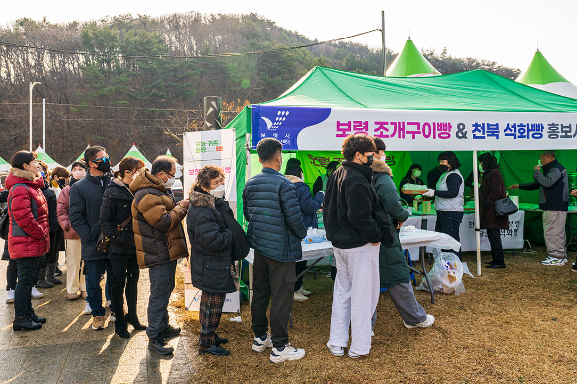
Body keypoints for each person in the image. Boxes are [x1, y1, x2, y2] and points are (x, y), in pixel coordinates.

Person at [323, 133, 394, 358]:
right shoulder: (356, 179)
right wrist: (375, 235)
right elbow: (359, 215)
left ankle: (337, 341)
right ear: (357, 155)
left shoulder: (337, 173)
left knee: (343, 292)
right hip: (359, 245)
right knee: (364, 296)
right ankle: (360, 346)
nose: (373, 158)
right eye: (369, 154)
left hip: (341, 245)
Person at [243, 138, 308, 364]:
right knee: (282, 297)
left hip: (259, 248)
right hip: (281, 250)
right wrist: (302, 234)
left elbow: (248, 216)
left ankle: (260, 337)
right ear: (279, 156)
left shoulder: (250, 183)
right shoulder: (285, 184)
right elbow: (295, 219)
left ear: (259, 158)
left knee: (260, 293)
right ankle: (280, 346)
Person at [370, 138, 434, 329]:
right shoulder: (381, 177)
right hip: (383, 234)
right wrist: (402, 216)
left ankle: (365, 327)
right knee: (396, 276)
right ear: (375, 153)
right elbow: (394, 204)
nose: (384, 156)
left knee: (365, 282)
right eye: (382, 152)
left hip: (360, 236)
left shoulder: (350, 174)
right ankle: (415, 318)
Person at [131, 156, 189, 355]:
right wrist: (183, 207)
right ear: (161, 174)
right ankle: (154, 336)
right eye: (172, 174)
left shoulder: (156, 190)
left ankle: (163, 326)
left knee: (165, 288)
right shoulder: (147, 193)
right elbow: (163, 222)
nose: (174, 178)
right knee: (159, 293)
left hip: (164, 248)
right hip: (157, 250)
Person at [187, 165, 235, 356]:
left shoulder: (211, 203)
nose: (220, 185)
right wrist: (231, 233)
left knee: (211, 302)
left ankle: (209, 336)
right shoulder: (202, 210)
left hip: (211, 262)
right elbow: (215, 240)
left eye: (221, 181)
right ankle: (206, 344)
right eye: (216, 183)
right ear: (205, 186)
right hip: (211, 262)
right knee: (212, 305)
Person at [99, 157, 146, 339]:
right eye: (139, 171)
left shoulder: (137, 190)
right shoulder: (112, 192)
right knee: (118, 284)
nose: (141, 175)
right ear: (128, 172)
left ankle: (133, 317)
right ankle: (119, 322)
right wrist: (120, 238)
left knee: (133, 281)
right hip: (118, 247)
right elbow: (104, 222)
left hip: (135, 245)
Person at [69, 146, 114, 331]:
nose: (107, 161)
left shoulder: (113, 182)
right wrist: (88, 236)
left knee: (116, 276)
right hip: (92, 242)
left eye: (107, 158)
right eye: (102, 159)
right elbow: (76, 217)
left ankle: (115, 306)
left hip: (114, 240)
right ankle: (97, 313)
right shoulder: (79, 188)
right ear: (91, 163)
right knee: (93, 279)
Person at [6, 151, 49, 331]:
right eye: (34, 161)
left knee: (29, 278)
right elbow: (24, 217)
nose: (37, 164)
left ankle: (28, 312)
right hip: (26, 241)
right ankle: (20, 318)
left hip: (31, 241)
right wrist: (40, 234)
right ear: (25, 166)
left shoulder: (29, 185)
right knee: (24, 280)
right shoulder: (20, 188)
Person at [509, 150, 569, 266]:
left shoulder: (556, 169)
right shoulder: (553, 169)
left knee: (553, 232)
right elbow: (539, 183)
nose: (540, 159)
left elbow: (546, 182)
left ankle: (556, 257)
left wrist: (536, 172)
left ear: (547, 156)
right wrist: (520, 186)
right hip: (555, 206)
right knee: (557, 231)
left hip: (554, 206)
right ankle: (560, 256)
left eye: (540, 156)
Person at [285, 164, 324, 301]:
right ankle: (294, 289)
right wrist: (320, 195)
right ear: (299, 173)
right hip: (303, 227)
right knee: (300, 260)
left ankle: (297, 286)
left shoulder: (284, 184)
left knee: (296, 260)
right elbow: (309, 207)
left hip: (290, 228)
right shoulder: (301, 187)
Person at [423, 151, 465, 259]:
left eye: (443, 161)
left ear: (450, 161)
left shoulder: (454, 175)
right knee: (443, 240)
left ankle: (455, 266)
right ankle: (447, 266)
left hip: (451, 212)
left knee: (451, 240)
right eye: (439, 161)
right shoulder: (446, 174)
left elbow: (453, 193)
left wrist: (435, 192)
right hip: (444, 211)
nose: (440, 163)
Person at [57, 161, 87, 302]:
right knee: (72, 261)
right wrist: (67, 225)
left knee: (87, 262)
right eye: (75, 169)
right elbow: (61, 211)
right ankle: (72, 288)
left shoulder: (91, 187)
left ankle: (85, 287)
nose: (77, 171)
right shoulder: (66, 190)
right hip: (72, 232)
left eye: (80, 169)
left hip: (88, 231)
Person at [478, 153, 509, 269]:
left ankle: (499, 261)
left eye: (481, 162)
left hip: (492, 211)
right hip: (490, 210)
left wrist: (488, 203)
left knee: (494, 235)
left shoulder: (493, 173)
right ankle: (496, 259)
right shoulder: (490, 173)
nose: (480, 165)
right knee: (493, 235)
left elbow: (495, 191)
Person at [36, 161, 63, 289]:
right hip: (42, 226)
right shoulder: (35, 190)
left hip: (55, 225)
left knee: (54, 250)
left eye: (40, 169)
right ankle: (40, 278)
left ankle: (50, 275)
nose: (38, 171)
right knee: (44, 253)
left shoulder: (51, 189)